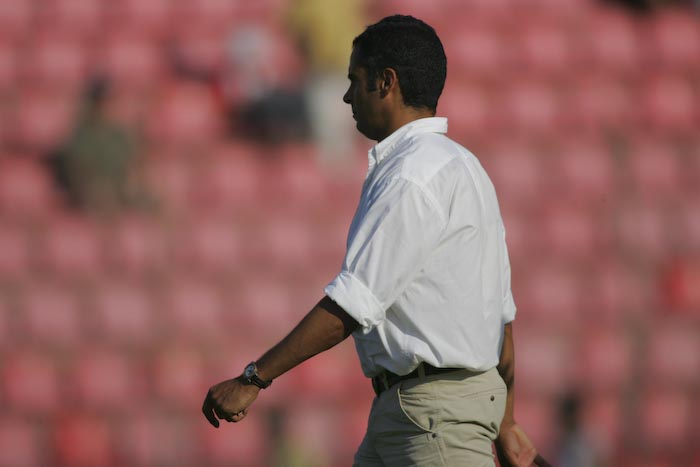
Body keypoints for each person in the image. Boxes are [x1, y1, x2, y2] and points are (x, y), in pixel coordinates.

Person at [203, 15, 542, 467]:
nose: (347, 96)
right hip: (413, 412)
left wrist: (254, 377)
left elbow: (354, 301)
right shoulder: (466, 167)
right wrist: (506, 422)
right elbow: (501, 316)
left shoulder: (411, 175)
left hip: (432, 419)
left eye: (355, 80)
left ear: (386, 82)